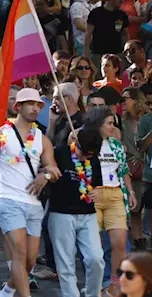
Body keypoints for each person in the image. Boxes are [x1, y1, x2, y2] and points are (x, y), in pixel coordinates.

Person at [0, 87, 62, 297]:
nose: (35, 108)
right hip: (8, 200)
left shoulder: (42, 139)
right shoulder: (0, 135)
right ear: (17, 106)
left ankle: (9, 288)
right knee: (19, 253)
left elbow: (54, 169)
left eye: (38, 104)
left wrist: (45, 176)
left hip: (34, 204)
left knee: (29, 261)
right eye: (30, 103)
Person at [50, 124, 105, 297]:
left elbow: (98, 185)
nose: (85, 157)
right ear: (76, 143)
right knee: (66, 265)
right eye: (83, 152)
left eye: (90, 154)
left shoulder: (94, 160)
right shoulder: (60, 153)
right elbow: (46, 170)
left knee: (96, 259)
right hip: (61, 214)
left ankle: (92, 294)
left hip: (88, 214)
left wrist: (98, 191)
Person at [93, 106, 138, 296]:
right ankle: (93, 283)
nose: (114, 127)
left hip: (115, 196)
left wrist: (131, 191)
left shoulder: (116, 145)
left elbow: (123, 170)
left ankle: (113, 285)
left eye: (114, 123)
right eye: (110, 123)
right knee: (94, 248)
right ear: (98, 124)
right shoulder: (85, 143)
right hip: (93, 196)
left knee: (119, 242)